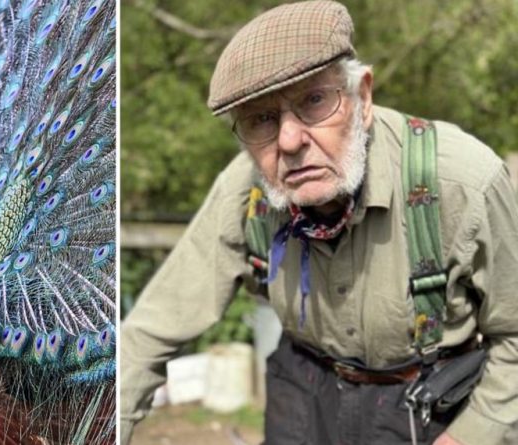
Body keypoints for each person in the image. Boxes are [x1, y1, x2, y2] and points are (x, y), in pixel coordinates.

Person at [119, 1, 518, 444]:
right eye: (262, 119)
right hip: (302, 393)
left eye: (313, 101)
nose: (289, 141)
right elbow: (150, 331)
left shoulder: (462, 184)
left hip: (424, 406)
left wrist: (472, 435)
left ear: (361, 98)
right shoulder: (245, 192)